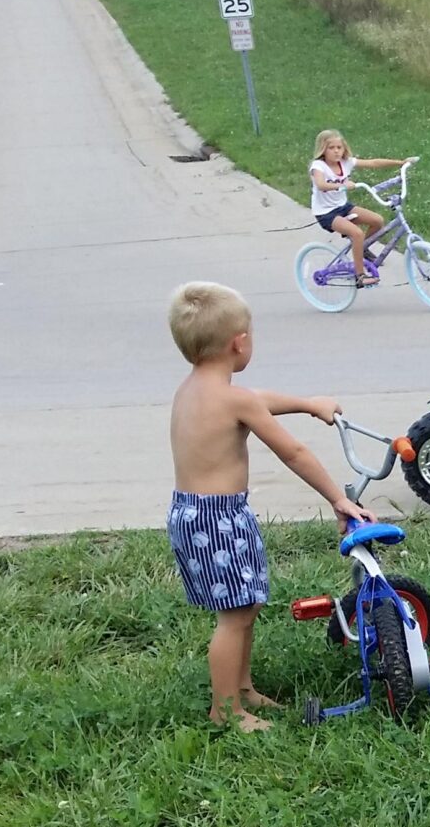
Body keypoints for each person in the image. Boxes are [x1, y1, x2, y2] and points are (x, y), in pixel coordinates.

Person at [165, 282, 372, 731]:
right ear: (240, 343)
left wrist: (307, 404)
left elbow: (257, 401)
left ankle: (242, 689)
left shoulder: (193, 389)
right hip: (217, 519)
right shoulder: (234, 399)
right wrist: (337, 497)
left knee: (245, 606)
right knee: (234, 616)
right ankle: (226, 712)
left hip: (194, 514)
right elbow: (292, 452)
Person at [307, 131, 410, 286]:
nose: (336, 151)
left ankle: (361, 249)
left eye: (339, 147)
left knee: (377, 221)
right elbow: (321, 185)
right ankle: (360, 276)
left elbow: (373, 163)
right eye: (331, 148)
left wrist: (400, 163)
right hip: (326, 213)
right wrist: (341, 185)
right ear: (323, 150)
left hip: (343, 207)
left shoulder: (346, 162)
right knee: (357, 233)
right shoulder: (318, 166)